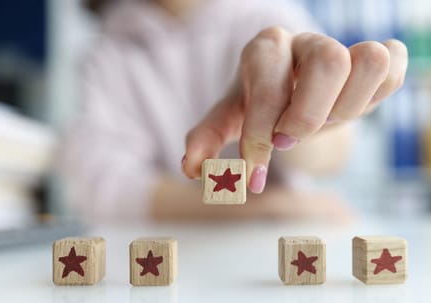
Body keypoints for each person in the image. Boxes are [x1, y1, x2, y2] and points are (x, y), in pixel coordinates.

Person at [61, 0, 408, 222]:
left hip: (271, 263)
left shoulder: (271, 17)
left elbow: (333, 155)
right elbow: (104, 192)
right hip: (159, 263)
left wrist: (309, 119)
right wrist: (272, 210)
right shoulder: (105, 54)